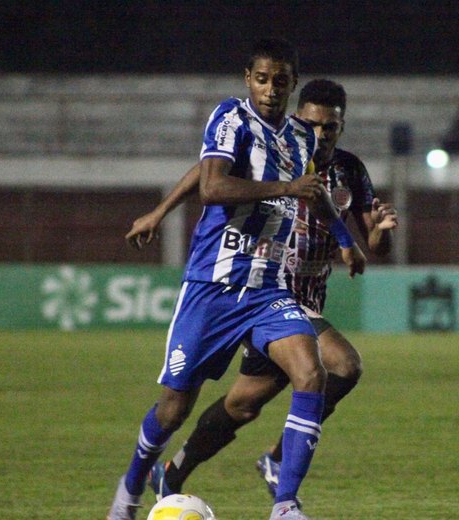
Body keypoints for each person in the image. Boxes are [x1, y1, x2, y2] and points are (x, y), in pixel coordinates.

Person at [107, 38, 366, 520]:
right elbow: (211, 185)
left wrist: (344, 239)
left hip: (267, 288)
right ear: (249, 79)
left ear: (291, 83)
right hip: (213, 287)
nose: (271, 89)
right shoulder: (231, 119)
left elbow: (314, 193)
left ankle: (285, 505)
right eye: (262, 79)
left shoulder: (301, 138)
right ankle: (129, 490)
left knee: (311, 373)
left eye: (281, 80)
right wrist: (162, 211)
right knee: (173, 410)